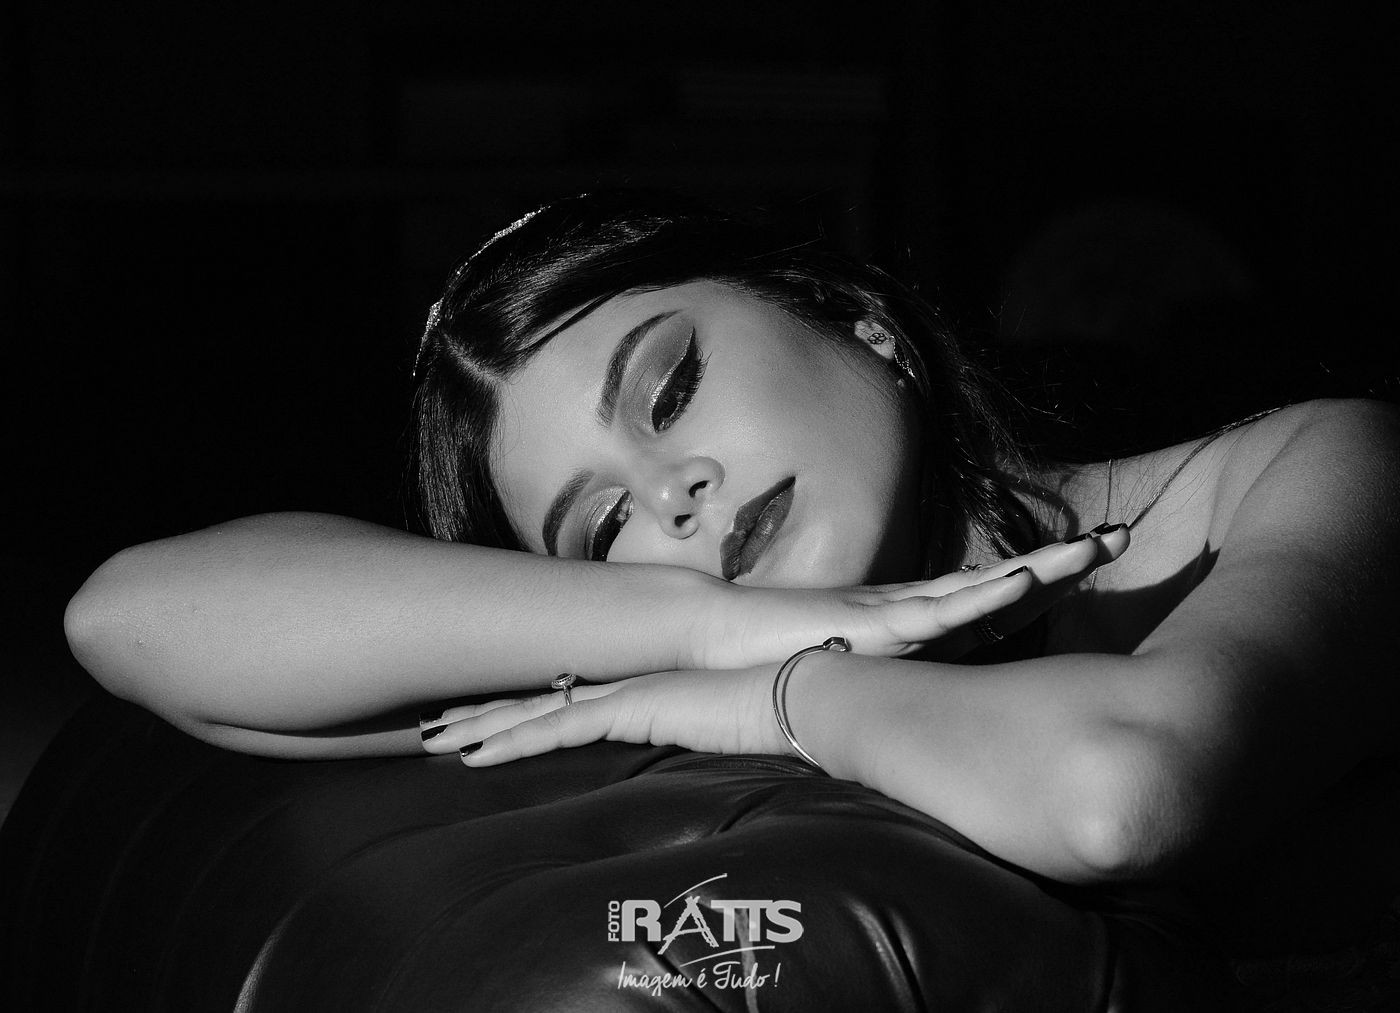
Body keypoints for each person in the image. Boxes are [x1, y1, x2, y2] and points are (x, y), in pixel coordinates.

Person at [63, 190, 1399, 887]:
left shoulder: (1306, 467)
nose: (674, 497)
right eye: (604, 528)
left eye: (671, 390)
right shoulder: (659, 664)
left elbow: (1119, 793)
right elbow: (129, 617)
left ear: (852, 320)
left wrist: (779, 694)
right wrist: (701, 625)